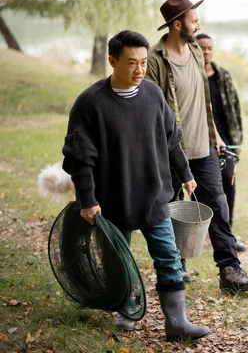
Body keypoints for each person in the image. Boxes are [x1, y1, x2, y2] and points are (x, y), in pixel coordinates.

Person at [61, 30, 211, 340]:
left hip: (154, 196)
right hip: (112, 199)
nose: (139, 70)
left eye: (143, 62)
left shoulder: (153, 95)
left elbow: (171, 140)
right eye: (132, 63)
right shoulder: (90, 103)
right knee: (119, 259)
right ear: (113, 61)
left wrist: (185, 173)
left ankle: (177, 322)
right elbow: (81, 159)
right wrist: (87, 199)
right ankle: (126, 307)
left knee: (169, 256)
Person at [145, 0, 248, 292]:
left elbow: (204, 100)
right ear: (176, 25)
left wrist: (217, 137)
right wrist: (171, 151)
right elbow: (155, 113)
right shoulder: (155, 60)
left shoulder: (196, 50)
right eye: (194, 20)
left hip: (204, 148)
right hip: (171, 151)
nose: (198, 25)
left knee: (219, 205)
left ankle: (229, 271)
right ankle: (175, 267)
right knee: (172, 208)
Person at [196, 33, 246, 252]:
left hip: (225, 143)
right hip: (201, 142)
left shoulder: (222, 76)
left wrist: (235, 142)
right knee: (203, 190)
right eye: (201, 48)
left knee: (229, 186)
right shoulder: (192, 77)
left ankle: (228, 235)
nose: (206, 52)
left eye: (209, 48)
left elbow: (235, 110)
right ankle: (196, 235)